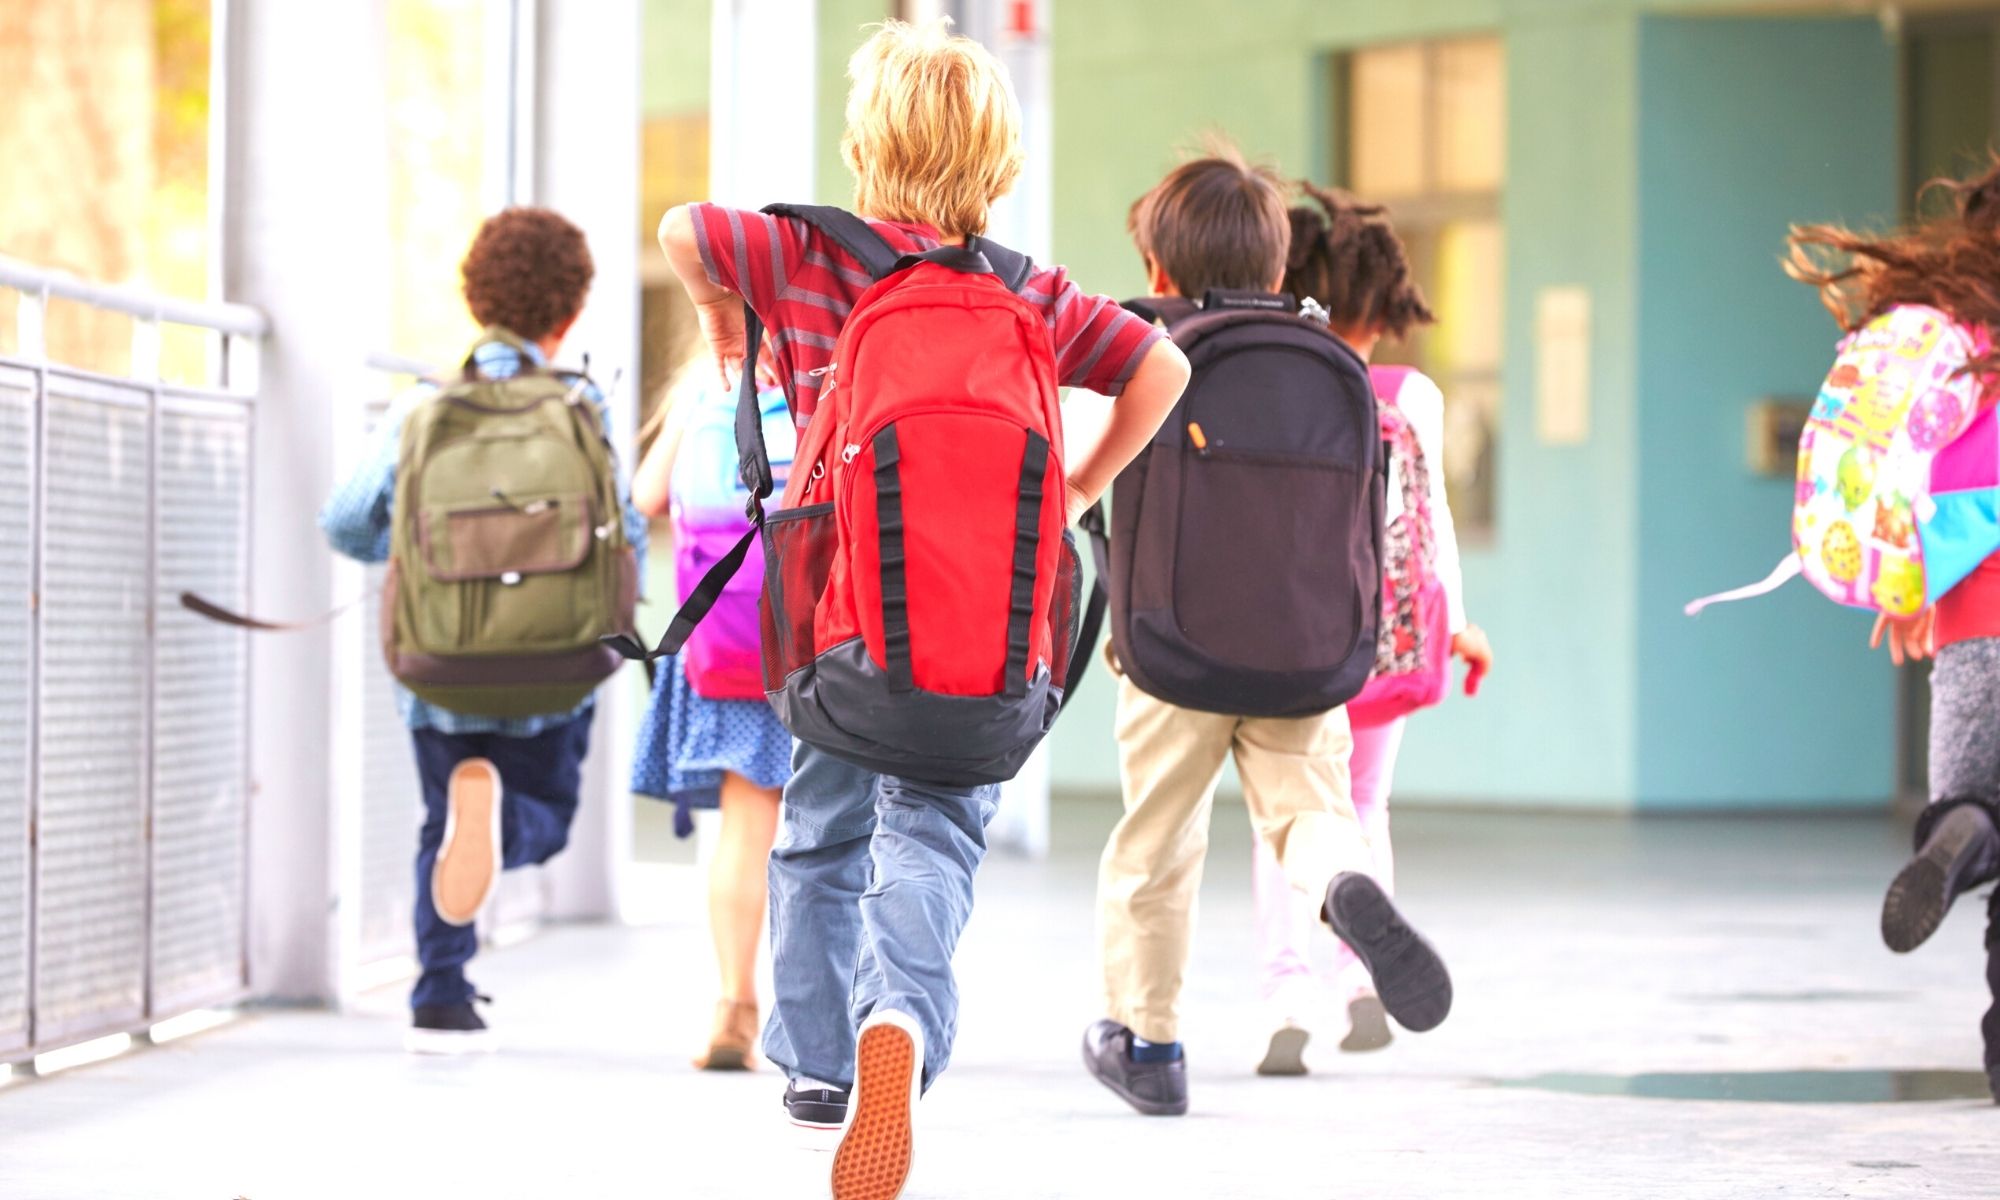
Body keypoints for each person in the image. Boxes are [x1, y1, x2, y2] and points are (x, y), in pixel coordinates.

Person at [655, 19, 1189, 1198]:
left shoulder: (797, 257)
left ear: (864, 146)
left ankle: (813, 1070)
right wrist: (1076, 491)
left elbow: (681, 230)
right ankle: (898, 1015)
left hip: (840, 624)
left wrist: (721, 332)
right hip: (989, 633)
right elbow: (1164, 369)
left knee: (822, 828)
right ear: (995, 164)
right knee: (938, 830)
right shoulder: (1031, 294)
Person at [1084, 154, 1453, 1119]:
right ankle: (1342, 884)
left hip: (1172, 652)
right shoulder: (1327, 359)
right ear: (1280, 266)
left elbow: (1083, 473)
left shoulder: (1148, 350)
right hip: (1303, 650)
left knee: (1155, 847)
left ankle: (1149, 1044)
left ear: (1159, 270)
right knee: (1308, 813)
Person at [320, 207, 647, 1054]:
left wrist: (418, 555)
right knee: (545, 810)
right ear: (569, 311)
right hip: (556, 658)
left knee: (442, 819)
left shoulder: (422, 408)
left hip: (441, 661)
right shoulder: (582, 405)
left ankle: (439, 995)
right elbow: (629, 536)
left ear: (475, 300)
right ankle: (503, 830)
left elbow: (347, 522)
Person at [1244, 184, 1495, 1073]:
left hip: (1291, 637)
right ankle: (1361, 979)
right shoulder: (1413, 392)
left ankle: (1286, 993)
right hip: (1386, 640)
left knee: (1284, 815)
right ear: (1388, 305)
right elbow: (1435, 527)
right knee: (1361, 807)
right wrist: (1458, 626)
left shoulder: (1280, 378)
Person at [1792, 160, 2000, 1101]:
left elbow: (1939, 493)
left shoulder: (1957, 354)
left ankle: (1956, 831)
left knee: (1983, 805)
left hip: (1967, 629)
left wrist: (1910, 592)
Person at [629, 362, 795, 1074]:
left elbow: (645, 496)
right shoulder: (827, 370)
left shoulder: (702, 388)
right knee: (848, 832)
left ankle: (735, 1004)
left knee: (744, 832)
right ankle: (846, 1012)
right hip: (821, 647)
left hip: (728, 643)